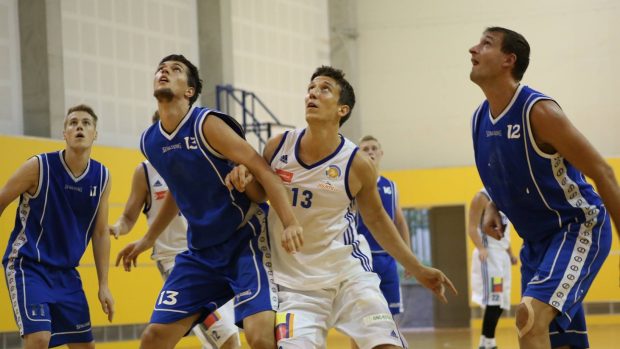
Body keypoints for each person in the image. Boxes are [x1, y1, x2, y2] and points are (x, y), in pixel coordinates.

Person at [227, 66, 456, 349]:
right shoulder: (278, 146)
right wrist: (244, 177)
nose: (313, 93)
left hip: (348, 275)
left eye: (324, 89)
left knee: (387, 345)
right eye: (311, 88)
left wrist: (416, 267)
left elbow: (376, 219)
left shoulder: (357, 163)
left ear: (342, 109)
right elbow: (260, 193)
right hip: (294, 286)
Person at [116, 54, 302, 349]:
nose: (164, 71)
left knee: (259, 337)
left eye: (175, 69)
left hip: (244, 240)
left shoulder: (207, 124)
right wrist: (148, 239)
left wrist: (290, 221)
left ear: (189, 91)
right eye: (161, 68)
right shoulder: (150, 142)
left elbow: (263, 171)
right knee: (154, 338)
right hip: (201, 252)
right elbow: (177, 191)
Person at [469, 27, 619, 349]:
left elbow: (603, 172)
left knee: (529, 317)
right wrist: (494, 204)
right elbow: (504, 173)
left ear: (509, 60)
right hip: (536, 243)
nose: (473, 49)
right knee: (560, 342)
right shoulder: (479, 119)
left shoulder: (539, 111)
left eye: (486, 44)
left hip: (578, 227)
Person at [109, 112, 240, 349]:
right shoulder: (145, 172)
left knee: (219, 341)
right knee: (228, 338)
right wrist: (118, 227)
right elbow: (129, 216)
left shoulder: (201, 162)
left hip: (210, 258)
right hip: (174, 262)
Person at [0, 104, 114, 348]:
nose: (79, 126)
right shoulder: (39, 167)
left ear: (95, 134)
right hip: (28, 265)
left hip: (66, 273)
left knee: (85, 346)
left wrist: (103, 284)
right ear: (64, 134)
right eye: (73, 123)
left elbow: (101, 232)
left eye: (86, 123)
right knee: (39, 338)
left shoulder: (102, 177)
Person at [347, 135, 412, 349]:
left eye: (374, 148)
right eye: (365, 149)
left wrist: (408, 256)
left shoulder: (391, 186)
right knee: (361, 321)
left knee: (392, 319)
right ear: (358, 154)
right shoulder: (353, 185)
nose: (370, 152)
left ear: (381, 153)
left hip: (388, 260)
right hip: (362, 261)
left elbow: (400, 222)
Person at [467, 189, 518, 349]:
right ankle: (488, 342)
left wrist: (510, 253)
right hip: (489, 255)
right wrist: (481, 248)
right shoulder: (481, 197)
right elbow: (472, 226)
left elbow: (504, 232)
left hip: (502, 255)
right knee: (494, 299)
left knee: (502, 301)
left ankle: (486, 341)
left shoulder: (503, 196)